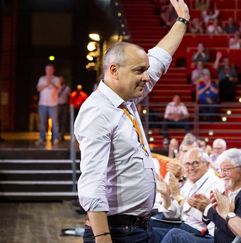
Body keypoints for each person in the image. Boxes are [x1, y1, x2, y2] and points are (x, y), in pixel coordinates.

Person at [74, 1, 189, 242]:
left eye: (145, 70)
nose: (146, 77)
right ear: (114, 70)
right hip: (116, 232)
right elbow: (91, 182)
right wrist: (103, 237)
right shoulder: (98, 112)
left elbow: (160, 58)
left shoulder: (124, 97)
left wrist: (182, 21)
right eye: (139, 71)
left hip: (136, 228)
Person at [161, 148, 241, 243]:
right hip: (209, 234)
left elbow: (237, 233)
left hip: (218, 239)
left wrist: (207, 209)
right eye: (221, 170)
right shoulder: (230, 188)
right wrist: (205, 212)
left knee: (175, 235)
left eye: (226, 170)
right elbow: (216, 221)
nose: (222, 175)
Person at [152, 148, 224, 243]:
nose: (190, 168)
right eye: (187, 164)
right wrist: (165, 196)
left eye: (195, 163)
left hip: (202, 232)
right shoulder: (189, 182)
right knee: (147, 226)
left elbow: (206, 217)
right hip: (183, 225)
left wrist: (178, 196)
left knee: (174, 234)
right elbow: (173, 215)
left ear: (207, 165)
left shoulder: (216, 184)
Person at [36, 63, 60, 145]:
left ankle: (56, 138)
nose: (49, 71)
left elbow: (58, 88)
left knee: (55, 123)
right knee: (42, 122)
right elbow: (38, 89)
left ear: (53, 70)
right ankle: (42, 138)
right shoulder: (42, 79)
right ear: (45, 70)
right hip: (43, 104)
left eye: (50, 69)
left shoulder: (56, 79)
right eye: (47, 69)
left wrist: (51, 82)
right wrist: (46, 83)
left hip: (53, 104)